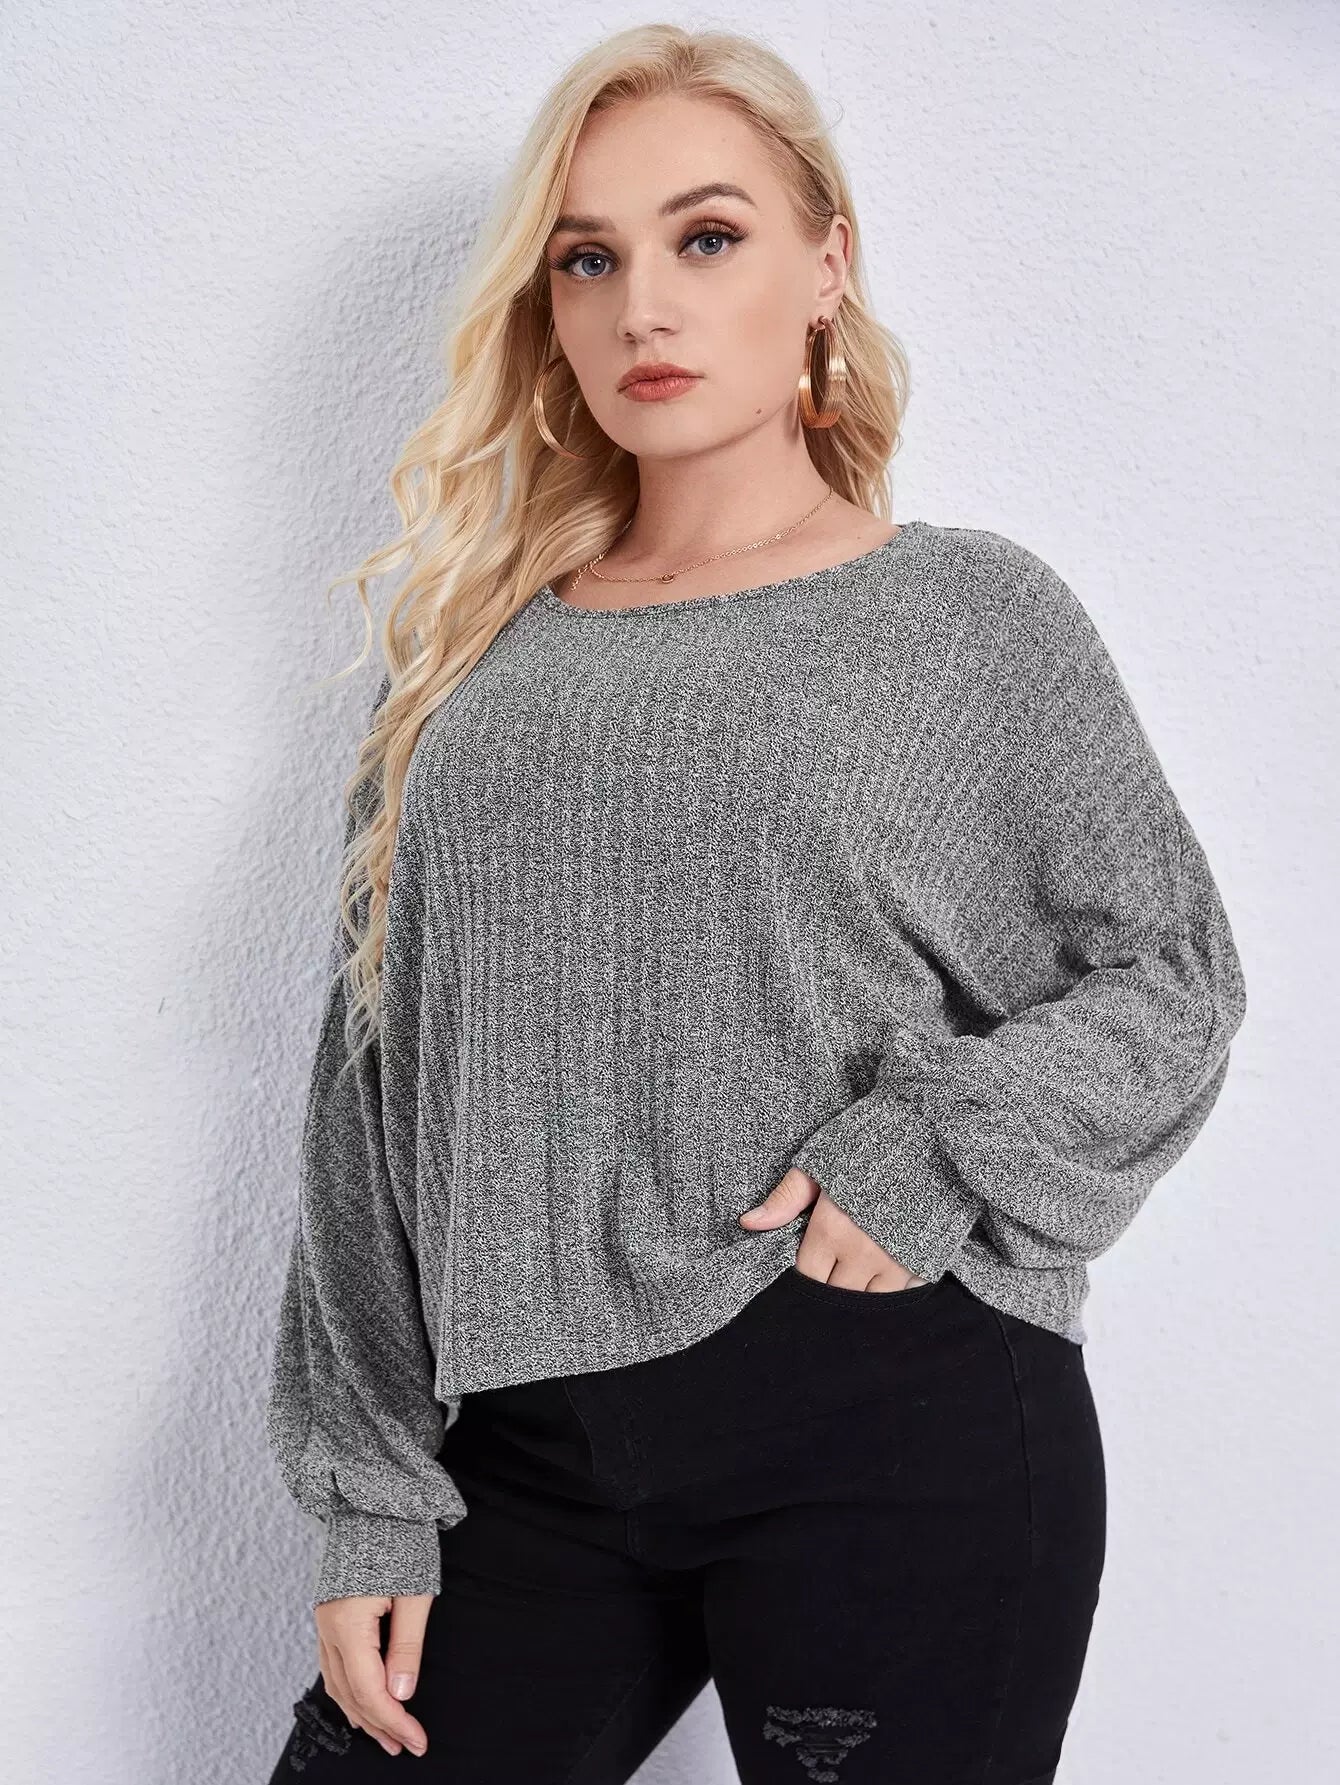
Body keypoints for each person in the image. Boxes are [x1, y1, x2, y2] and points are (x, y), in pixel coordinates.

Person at [263, 23, 1247, 1785]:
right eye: (588, 258)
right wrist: (369, 1490)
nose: (644, 305)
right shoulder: (468, 673)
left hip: (887, 1418)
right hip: (524, 1466)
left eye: (706, 237)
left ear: (825, 264)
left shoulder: (964, 619)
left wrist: (930, 1144)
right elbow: (371, 1094)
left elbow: (1174, 972)